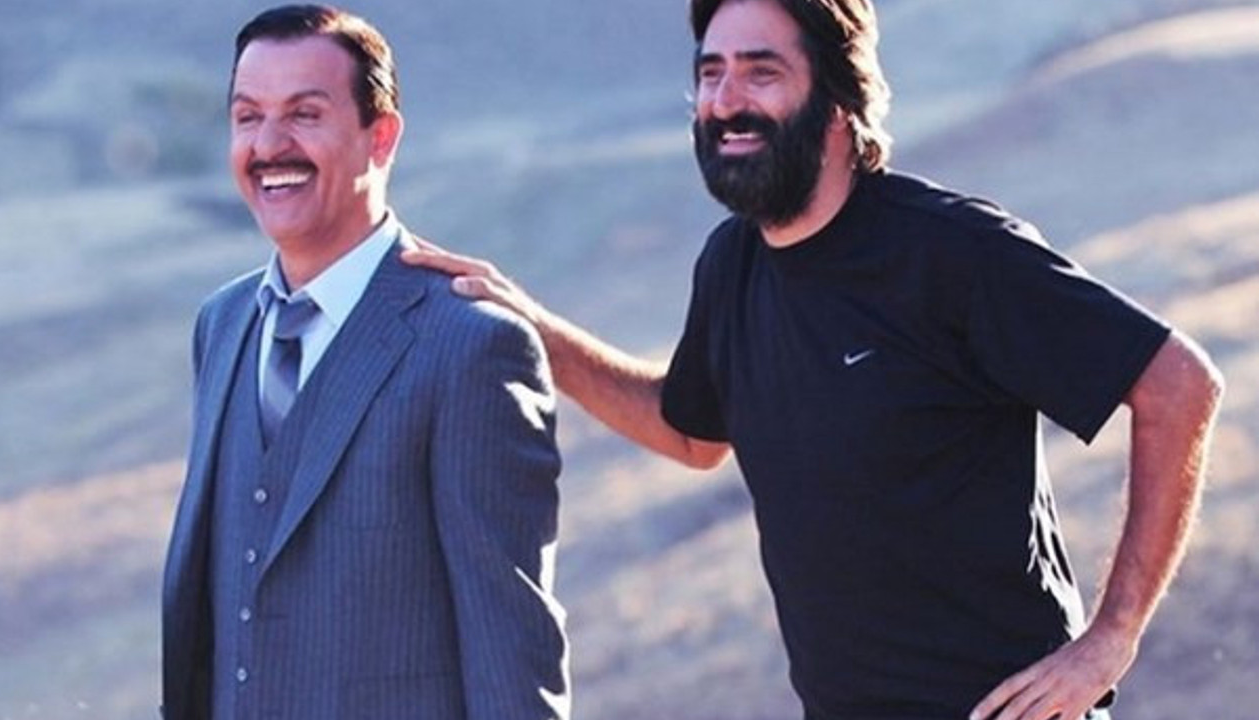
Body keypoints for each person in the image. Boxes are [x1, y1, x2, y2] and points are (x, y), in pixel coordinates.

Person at [402, 0, 1225, 718]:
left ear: (839, 100)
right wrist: (535, 327)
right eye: (711, 73)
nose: (726, 101)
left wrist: (1112, 637)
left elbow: (1178, 384)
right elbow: (692, 433)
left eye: (761, 72)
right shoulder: (732, 264)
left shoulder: (948, 253)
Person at [160, 5, 570, 719]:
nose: (269, 145)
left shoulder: (472, 346)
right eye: (248, 116)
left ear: (380, 138)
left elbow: (511, 654)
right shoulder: (221, 325)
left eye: (305, 115)